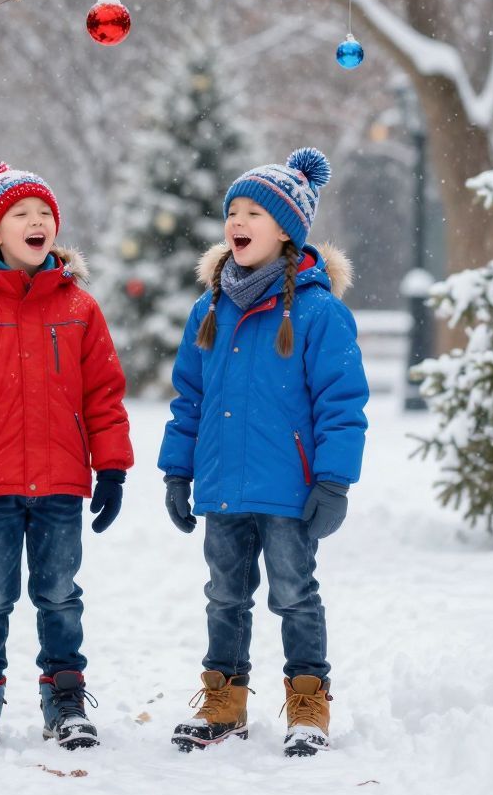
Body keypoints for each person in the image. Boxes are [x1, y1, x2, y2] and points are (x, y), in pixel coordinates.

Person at [158, 148, 369, 758]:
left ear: (286, 231)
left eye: (254, 213)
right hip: (223, 485)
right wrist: (177, 471)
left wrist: (333, 480)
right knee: (224, 596)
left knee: (294, 594)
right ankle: (223, 703)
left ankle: (308, 703)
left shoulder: (319, 311)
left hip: (289, 490)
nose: (238, 223)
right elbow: (189, 398)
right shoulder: (209, 308)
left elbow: (341, 402)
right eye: (233, 212)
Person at [0, 161, 133, 752]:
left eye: (44, 213)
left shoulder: (80, 308)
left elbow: (103, 394)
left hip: (61, 482)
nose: (36, 221)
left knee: (60, 594)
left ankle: (64, 695)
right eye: (21, 214)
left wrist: (111, 468)